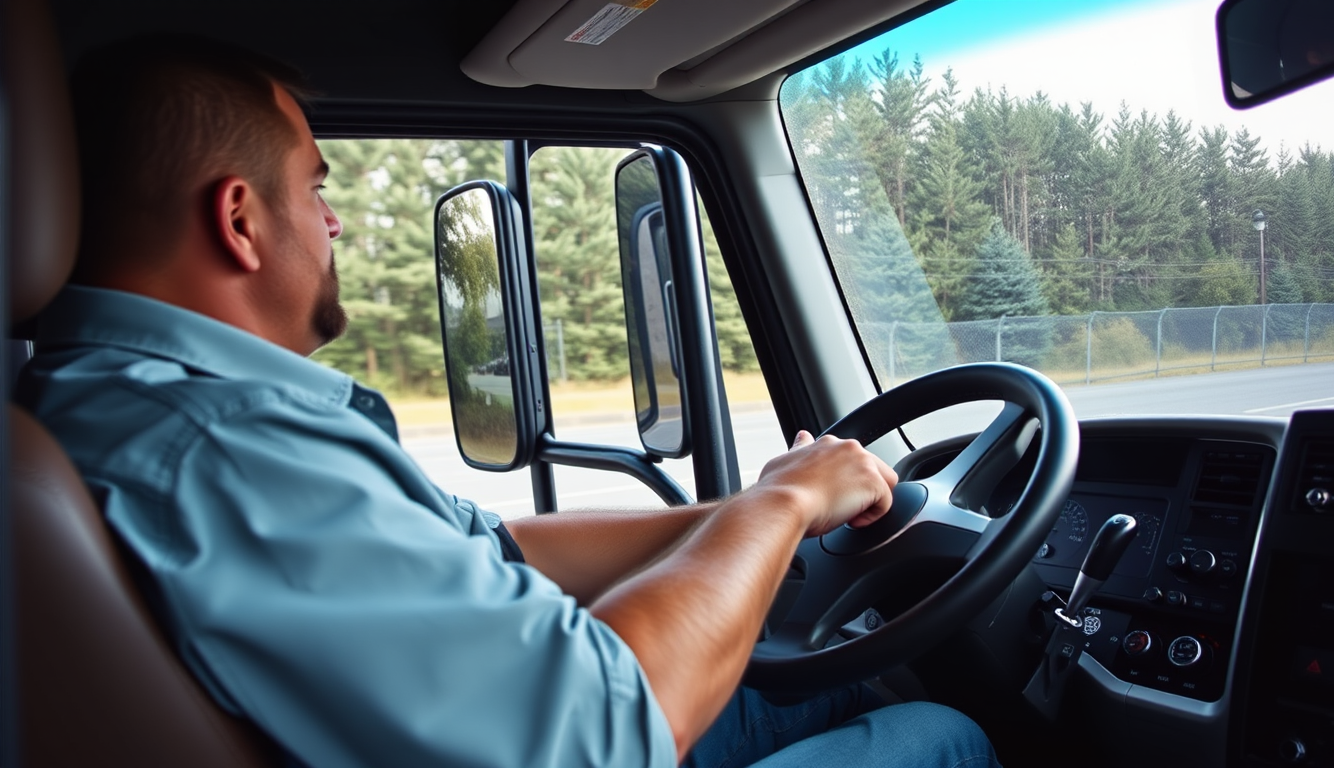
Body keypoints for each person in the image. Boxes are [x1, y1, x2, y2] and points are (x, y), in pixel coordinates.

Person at [16, 35, 1000, 768]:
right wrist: (780, 506)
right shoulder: (220, 445)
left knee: (848, 679)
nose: (334, 221)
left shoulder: (117, 405)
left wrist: (755, 509)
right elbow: (601, 732)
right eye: (313, 189)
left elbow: (498, 546)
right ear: (238, 220)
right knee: (939, 735)